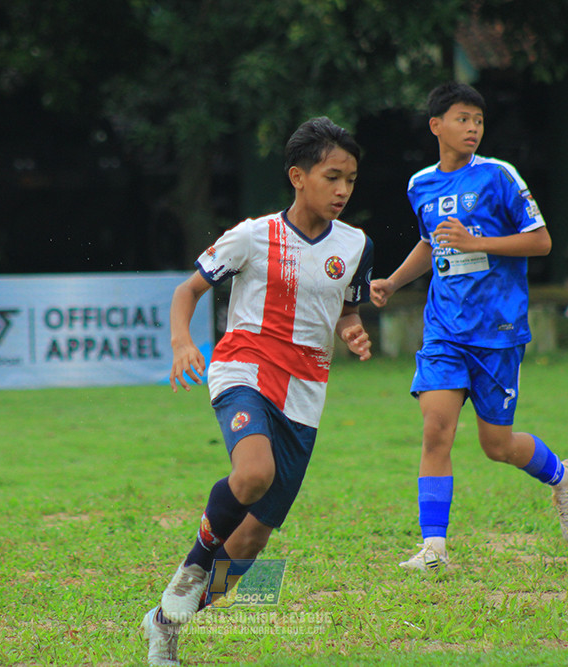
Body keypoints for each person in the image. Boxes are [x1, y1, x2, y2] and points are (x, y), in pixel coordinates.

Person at [141, 116, 374, 665]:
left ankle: (167, 621)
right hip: (244, 366)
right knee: (252, 473)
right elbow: (187, 290)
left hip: (306, 392)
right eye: (331, 176)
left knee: (249, 544)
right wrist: (181, 343)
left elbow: (346, 307)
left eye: (351, 180)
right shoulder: (251, 236)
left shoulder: (357, 245)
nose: (342, 190)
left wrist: (352, 329)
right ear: (298, 176)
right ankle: (192, 570)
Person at [370, 82, 568, 573]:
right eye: (463, 119)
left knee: (497, 446)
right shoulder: (419, 184)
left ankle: (562, 476)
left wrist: (477, 242)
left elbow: (542, 241)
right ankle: (434, 548)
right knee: (435, 431)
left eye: (479, 121)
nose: (472, 128)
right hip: (444, 329)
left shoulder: (498, 176)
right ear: (436, 126)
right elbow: (432, 243)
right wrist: (394, 282)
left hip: (497, 329)